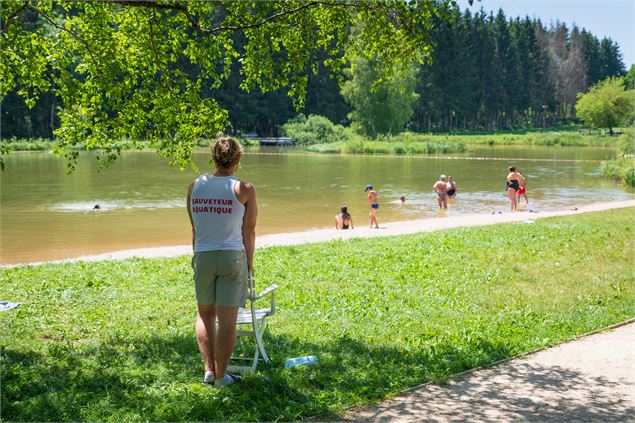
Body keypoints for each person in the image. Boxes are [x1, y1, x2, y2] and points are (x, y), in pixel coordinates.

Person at [186, 136, 258, 388]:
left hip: (203, 255)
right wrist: (249, 263)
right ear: (238, 158)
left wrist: (198, 257)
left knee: (205, 314)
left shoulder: (195, 186)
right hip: (231, 257)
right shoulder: (244, 189)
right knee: (227, 319)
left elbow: (195, 230)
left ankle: (208, 369)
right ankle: (221, 376)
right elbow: (249, 232)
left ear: (213, 157)